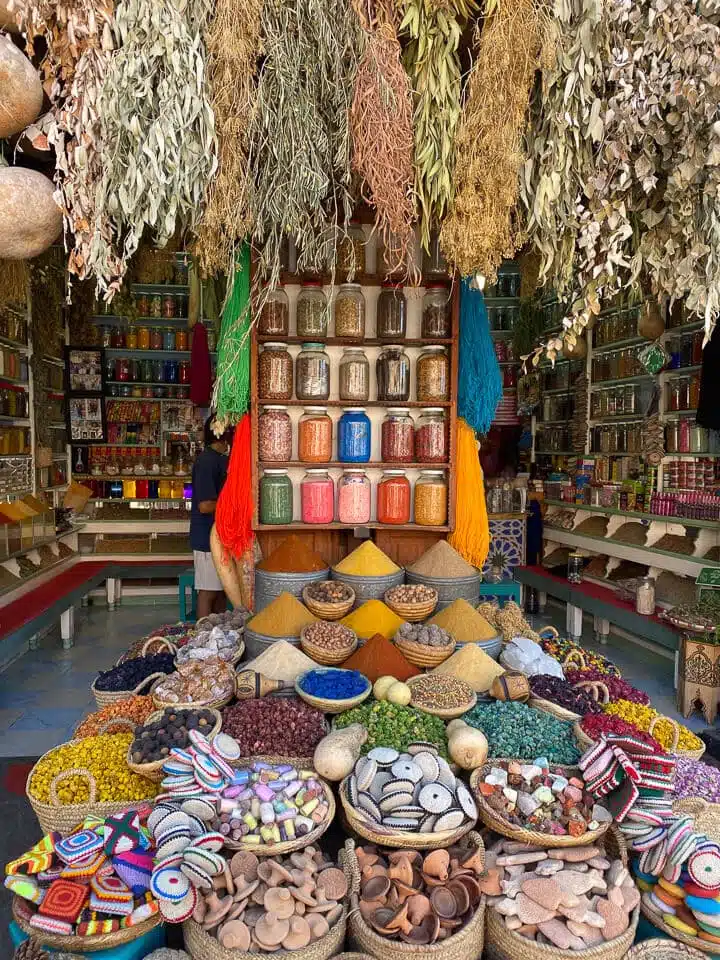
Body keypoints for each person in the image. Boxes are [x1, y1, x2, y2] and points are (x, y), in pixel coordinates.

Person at [190, 417, 230, 619]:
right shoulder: (207, 461)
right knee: (208, 591)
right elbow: (205, 505)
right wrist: (233, 504)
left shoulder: (221, 459)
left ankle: (221, 634)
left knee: (222, 590)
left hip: (220, 536)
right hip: (206, 537)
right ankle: (202, 636)